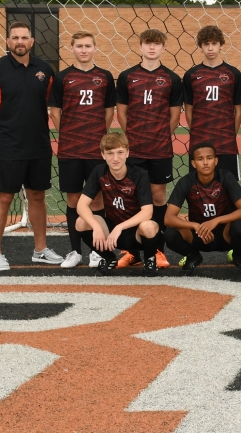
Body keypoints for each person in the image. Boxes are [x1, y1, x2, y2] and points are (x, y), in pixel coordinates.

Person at [0, 20, 63, 271]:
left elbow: (48, 101)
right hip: (7, 145)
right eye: (15, 38)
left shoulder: (45, 69)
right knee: (3, 197)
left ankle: (41, 250)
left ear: (32, 41)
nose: (20, 42)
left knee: (37, 195)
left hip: (39, 144)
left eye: (24, 37)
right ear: (8, 41)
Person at [47, 30, 116, 269]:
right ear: (72, 49)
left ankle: (97, 252)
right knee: (74, 199)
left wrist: (99, 135)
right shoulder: (62, 77)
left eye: (88, 46)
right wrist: (68, 133)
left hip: (96, 150)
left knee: (97, 200)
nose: (84, 50)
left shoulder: (105, 76)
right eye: (79, 46)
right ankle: (75, 251)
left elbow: (109, 111)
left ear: (95, 48)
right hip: (70, 149)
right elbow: (55, 111)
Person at [115, 28, 183, 269]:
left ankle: (157, 251)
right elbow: (121, 111)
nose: (152, 48)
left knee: (157, 198)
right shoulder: (127, 76)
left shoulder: (172, 78)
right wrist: (131, 136)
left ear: (163, 48)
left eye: (156, 44)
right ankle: (132, 251)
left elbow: (175, 115)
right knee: (132, 199)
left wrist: (161, 135)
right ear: (140, 46)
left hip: (160, 150)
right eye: (147, 43)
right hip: (133, 150)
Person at [75, 132, 162, 275]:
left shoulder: (139, 174)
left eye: (120, 152)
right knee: (81, 222)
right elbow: (81, 205)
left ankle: (149, 259)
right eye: (110, 153)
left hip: (135, 231)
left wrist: (120, 227)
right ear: (103, 155)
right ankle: (109, 258)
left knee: (149, 226)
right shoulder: (99, 171)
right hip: (111, 231)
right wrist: (96, 227)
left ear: (127, 153)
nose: (115, 158)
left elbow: (148, 212)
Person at [164, 142, 241, 275]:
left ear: (216, 161)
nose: (205, 162)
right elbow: (168, 218)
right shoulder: (186, 182)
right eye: (200, 159)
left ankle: (238, 256)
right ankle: (193, 255)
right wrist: (194, 225)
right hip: (198, 234)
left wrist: (216, 221)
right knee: (170, 234)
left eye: (209, 158)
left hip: (224, 233)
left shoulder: (226, 177)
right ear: (194, 163)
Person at [182, 25, 241, 179]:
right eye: (206, 44)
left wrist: (231, 133)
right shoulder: (191, 74)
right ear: (201, 47)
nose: (210, 48)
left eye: (214, 44)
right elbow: (188, 110)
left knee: (229, 188)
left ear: (221, 45)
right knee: (199, 188)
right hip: (200, 141)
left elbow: (238, 110)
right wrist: (198, 132)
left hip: (226, 143)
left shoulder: (233, 73)